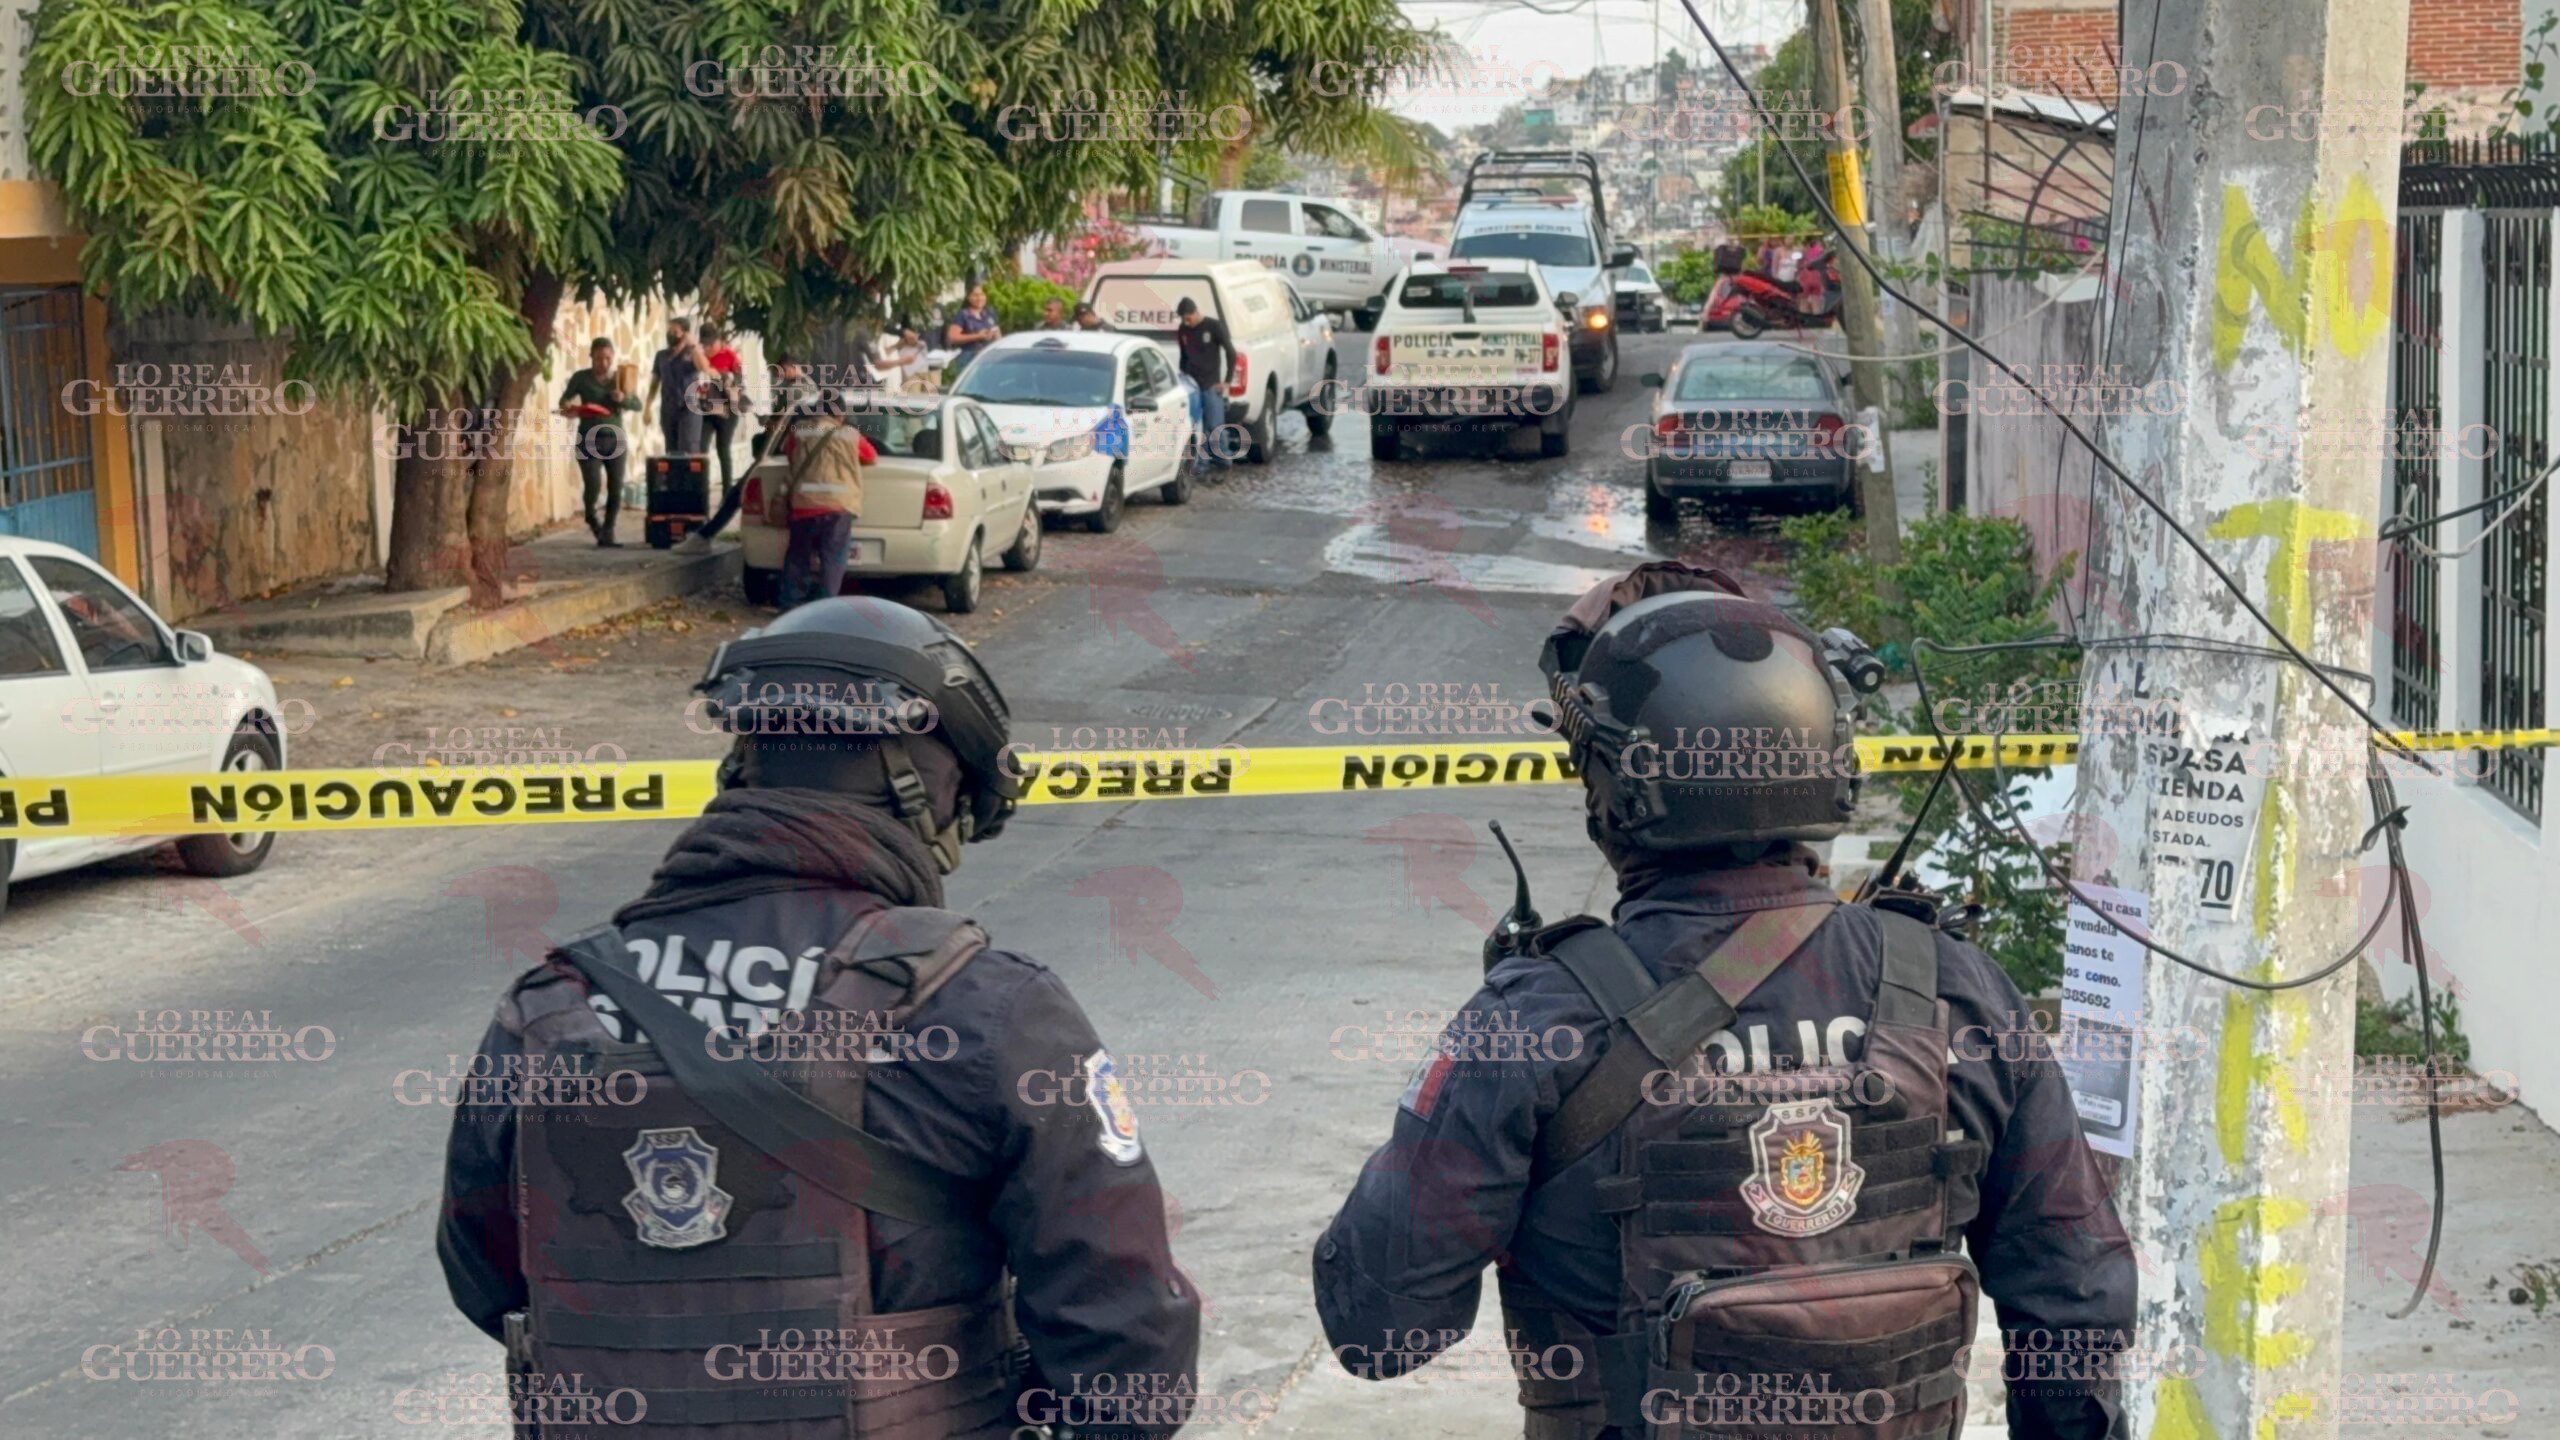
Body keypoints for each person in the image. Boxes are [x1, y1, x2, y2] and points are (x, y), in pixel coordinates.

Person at [1313, 562, 2137, 1440]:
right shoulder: (1955, 988)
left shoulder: (1538, 1017)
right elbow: (2076, 1298)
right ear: (1832, 764)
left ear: (1612, 792)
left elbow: (1379, 1328)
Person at [438, 598, 1202, 1438]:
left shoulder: (554, 1005)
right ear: (923, 791)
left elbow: (487, 1281)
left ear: (743, 765)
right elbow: (1128, 1346)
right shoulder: (988, 1006)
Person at [776, 395, 876, 610]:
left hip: (804, 506)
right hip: (838, 508)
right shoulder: (850, 435)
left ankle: (790, 604)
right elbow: (871, 457)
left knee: (797, 557)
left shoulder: (799, 431)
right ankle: (825, 607)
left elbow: (788, 452)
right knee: (832, 560)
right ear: (840, 413)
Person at [670, 326, 748, 553]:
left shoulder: (732, 357)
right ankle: (699, 490)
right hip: (707, 410)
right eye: (703, 345)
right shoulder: (701, 357)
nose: (707, 349)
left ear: (719, 342)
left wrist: (728, 403)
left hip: (726, 412)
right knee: (700, 451)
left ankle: (726, 493)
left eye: (710, 345)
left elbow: (738, 387)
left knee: (723, 450)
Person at [556, 337, 638, 547]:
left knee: (615, 487)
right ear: (591, 356)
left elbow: (636, 404)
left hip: (615, 439)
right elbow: (564, 399)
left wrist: (624, 399)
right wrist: (569, 407)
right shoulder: (581, 378)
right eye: (599, 358)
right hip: (588, 439)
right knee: (592, 485)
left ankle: (608, 532)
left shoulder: (620, 378)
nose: (604, 363)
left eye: (608, 358)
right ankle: (591, 516)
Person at [1173, 297, 1235, 475]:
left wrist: (1227, 381)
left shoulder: (1213, 326)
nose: (1186, 322)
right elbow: (1183, 356)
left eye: (1188, 318)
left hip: (1211, 383)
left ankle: (1223, 459)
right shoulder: (1183, 330)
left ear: (1195, 312)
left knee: (1214, 425)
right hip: (1192, 384)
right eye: (1184, 319)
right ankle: (1203, 462)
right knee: (1197, 426)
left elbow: (1230, 353)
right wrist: (1183, 377)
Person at [647, 316, 707, 457]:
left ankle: (690, 479)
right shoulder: (661, 356)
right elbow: (655, 382)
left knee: (688, 449)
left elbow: (703, 367)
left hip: (689, 408)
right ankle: (675, 479)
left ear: (685, 334)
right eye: (669, 331)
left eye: (675, 331)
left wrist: (692, 346)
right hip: (668, 408)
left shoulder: (692, 353)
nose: (670, 334)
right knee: (672, 451)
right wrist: (647, 407)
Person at [943, 286, 1001, 378]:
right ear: (969, 297)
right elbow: (952, 337)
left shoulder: (989, 313)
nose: (979, 298)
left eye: (982, 295)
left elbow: (997, 335)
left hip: (987, 357)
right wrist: (977, 336)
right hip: (968, 357)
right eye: (975, 295)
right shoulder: (963, 315)